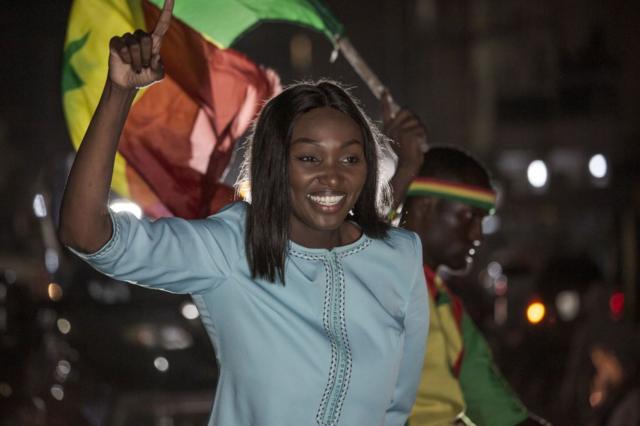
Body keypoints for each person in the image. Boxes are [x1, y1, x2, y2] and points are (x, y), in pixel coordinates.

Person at [57, 1, 429, 425]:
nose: (333, 178)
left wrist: (411, 167)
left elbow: (397, 409)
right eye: (309, 159)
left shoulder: (401, 255)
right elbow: (87, 235)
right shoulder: (232, 247)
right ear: (275, 164)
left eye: (350, 159)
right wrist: (119, 92)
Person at [396, 146, 543, 426]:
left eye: (481, 220)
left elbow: (494, 405)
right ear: (426, 206)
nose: (477, 235)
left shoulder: (448, 307)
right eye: (468, 217)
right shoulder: (378, 286)